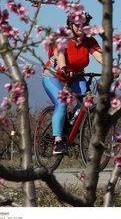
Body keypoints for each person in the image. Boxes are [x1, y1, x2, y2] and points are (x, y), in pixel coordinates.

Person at [42, 10, 103, 154]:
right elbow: (59, 54)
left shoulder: (88, 40)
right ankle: (57, 141)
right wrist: (63, 67)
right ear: (70, 25)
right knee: (61, 103)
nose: (81, 27)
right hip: (54, 76)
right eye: (78, 24)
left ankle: (70, 125)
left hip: (75, 76)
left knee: (86, 102)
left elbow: (99, 56)